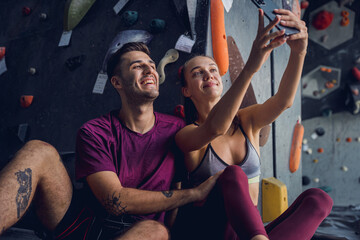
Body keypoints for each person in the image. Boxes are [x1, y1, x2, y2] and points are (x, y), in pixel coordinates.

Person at [0, 42, 221, 240]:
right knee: (39, 150)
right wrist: (194, 194)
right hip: (81, 222)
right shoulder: (95, 132)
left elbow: (179, 183)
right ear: (117, 82)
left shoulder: (178, 130)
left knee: (156, 231)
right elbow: (114, 200)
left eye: (151, 64)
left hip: (139, 231)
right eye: (137, 66)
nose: (149, 69)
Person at [174, 9, 333, 240]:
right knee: (233, 174)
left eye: (213, 70)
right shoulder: (187, 134)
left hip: (249, 233)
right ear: (186, 91)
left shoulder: (247, 120)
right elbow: (216, 127)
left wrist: (299, 52)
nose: (208, 75)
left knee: (319, 200)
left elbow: (284, 101)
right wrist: (250, 67)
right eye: (198, 73)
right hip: (212, 232)